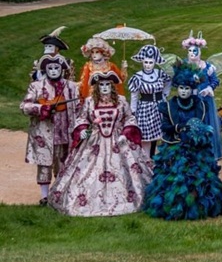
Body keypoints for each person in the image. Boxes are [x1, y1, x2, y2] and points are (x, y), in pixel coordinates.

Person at [49, 70, 153, 217]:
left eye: (107, 85)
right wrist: (83, 129)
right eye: (101, 85)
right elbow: (82, 118)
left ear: (112, 86)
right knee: (85, 172)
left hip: (118, 141)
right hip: (94, 142)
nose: (104, 87)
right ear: (97, 87)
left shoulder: (121, 100)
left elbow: (130, 118)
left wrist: (125, 133)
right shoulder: (90, 101)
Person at [143, 61, 222, 220]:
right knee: (174, 177)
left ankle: (199, 205)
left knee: (199, 177)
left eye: (187, 88)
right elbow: (165, 126)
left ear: (192, 89)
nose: (184, 91)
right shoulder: (169, 105)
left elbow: (202, 124)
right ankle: (174, 206)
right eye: (181, 88)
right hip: (175, 147)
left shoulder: (199, 105)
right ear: (177, 88)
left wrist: (198, 132)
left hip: (196, 148)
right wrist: (178, 127)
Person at [20, 54, 79, 205]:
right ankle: (45, 196)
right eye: (50, 68)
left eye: (56, 68)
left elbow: (79, 108)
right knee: (44, 164)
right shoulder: (36, 86)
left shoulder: (72, 87)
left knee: (64, 163)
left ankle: (61, 194)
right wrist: (41, 108)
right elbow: (24, 106)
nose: (53, 71)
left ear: (62, 69)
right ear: (45, 70)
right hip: (44, 133)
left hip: (65, 131)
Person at [182, 31, 222, 160]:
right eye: (190, 51)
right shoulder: (184, 66)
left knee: (206, 123)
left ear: (199, 52)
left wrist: (209, 88)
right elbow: (179, 81)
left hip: (205, 100)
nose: (192, 53)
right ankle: (192, 152)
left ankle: (209, 152)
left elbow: (215, 80)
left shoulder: (207, 67)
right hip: (190, 101)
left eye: (194, 51)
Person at [128, 45, 171, 158]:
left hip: (159, 107)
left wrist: (165, 94)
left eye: (150, 62)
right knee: (146, 136)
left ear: (155, 62)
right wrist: (133, 111)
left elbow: (168, 81)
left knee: (160, 133)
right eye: (145, 62)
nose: (148, 65)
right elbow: (134, 95)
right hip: (145, 108)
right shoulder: (138, 77)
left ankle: (158, 157)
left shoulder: (159, 73)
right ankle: (146, 158)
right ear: (142, 62)